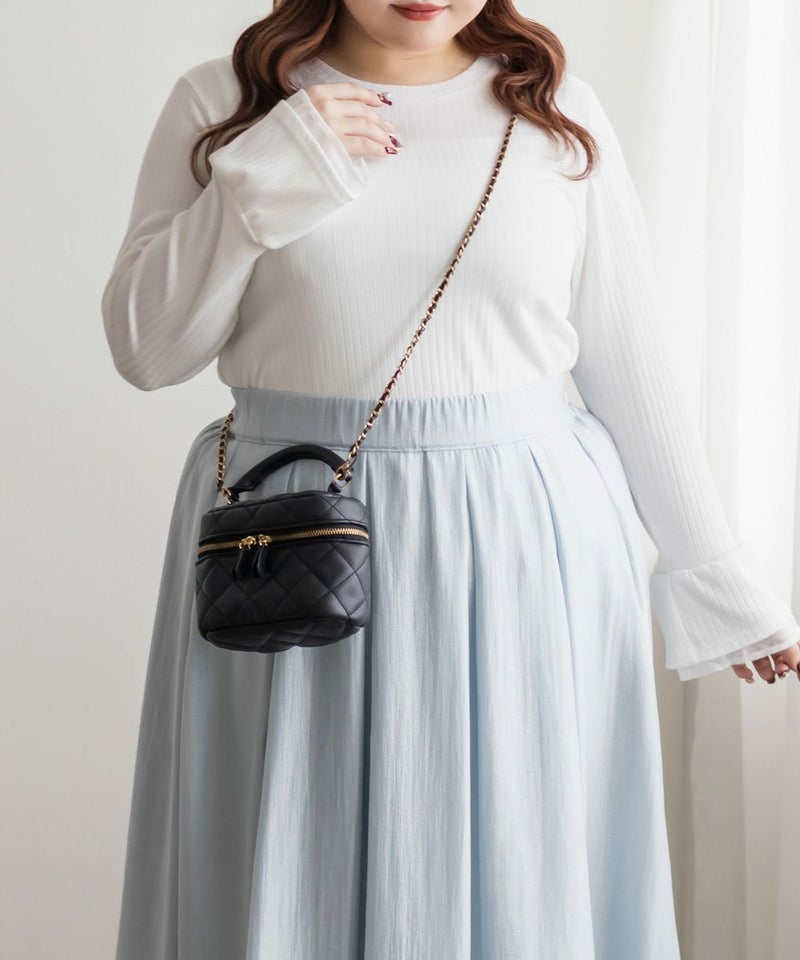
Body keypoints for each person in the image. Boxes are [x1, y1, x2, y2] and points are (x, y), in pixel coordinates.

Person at [101, 1, 800, 958]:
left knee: (521, 866)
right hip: (295, 539)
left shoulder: (553, 107)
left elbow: (630, 361)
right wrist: (260, 182)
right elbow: (149, 350)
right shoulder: (228, 101)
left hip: (524, 546)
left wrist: (714, 572)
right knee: (293, 854)